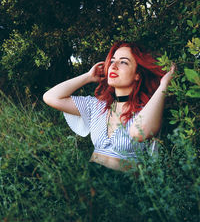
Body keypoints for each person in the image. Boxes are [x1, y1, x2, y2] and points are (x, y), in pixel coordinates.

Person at [43, 41, 175, 171]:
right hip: (90, 185)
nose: (114, 66)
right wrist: (88, 77)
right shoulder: (96, 106)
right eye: (112, 61)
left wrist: (163, 86)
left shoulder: (146, 110)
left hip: (125, 189)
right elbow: (51, 97)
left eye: (123, 62)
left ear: (137, 75)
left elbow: (138, 133)